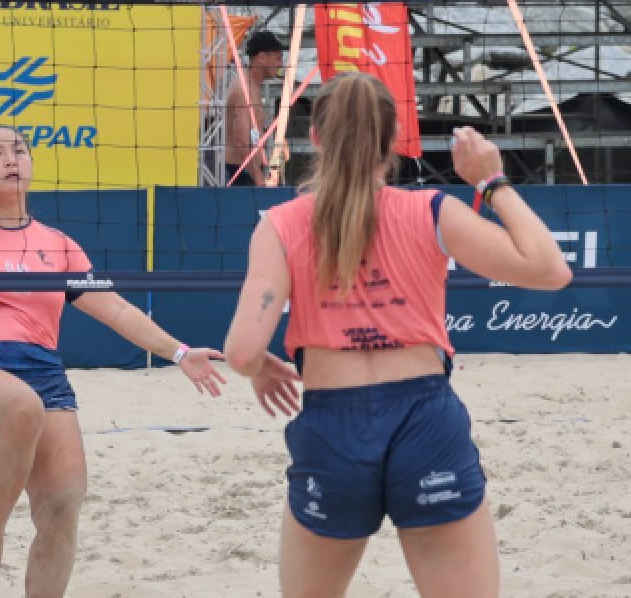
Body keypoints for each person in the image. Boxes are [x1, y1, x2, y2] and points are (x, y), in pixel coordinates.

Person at [224, 72, 571, 598]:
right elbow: (551, 271)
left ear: (314, 137)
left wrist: (256, 369)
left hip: (332, 425)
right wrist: (491, 180)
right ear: (392, 142)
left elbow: (243, 352)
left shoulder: (280, 223)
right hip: (423, 420)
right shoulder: (432, 210)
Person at [0, 124, 226, 598]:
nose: (12, 159)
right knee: (20, 405)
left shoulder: (58, 245)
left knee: (64, 505)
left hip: (44, 372)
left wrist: (180, 352)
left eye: (20, 151)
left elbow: (115, 309)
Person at [225, 29, 284, 186]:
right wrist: (257, 176)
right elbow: (241, 140)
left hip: (246, 170)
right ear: (262, 58)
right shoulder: (243, 89)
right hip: (238, 172)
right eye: (278, 58)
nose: (280, 64)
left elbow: (252, 134)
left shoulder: (253, 86)